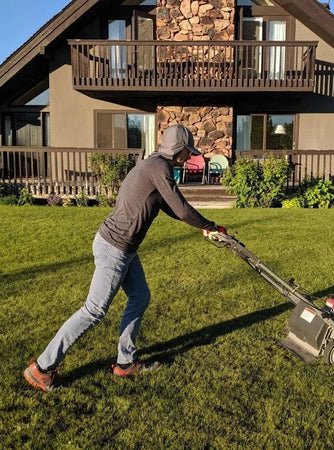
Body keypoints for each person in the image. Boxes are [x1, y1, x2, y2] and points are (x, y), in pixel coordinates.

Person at [23, 124, 226, 392]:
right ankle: (42, 368)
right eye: (188, 151)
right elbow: (182, 209)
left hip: (124, 248)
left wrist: (203, 227)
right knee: (94, 311)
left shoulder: (155, 165)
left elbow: (168, 205)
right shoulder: (158, 167)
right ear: (177, 149)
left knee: (140, 297)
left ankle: (126, 362)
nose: (190, 156)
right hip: (115, 247)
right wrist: (209, 225)